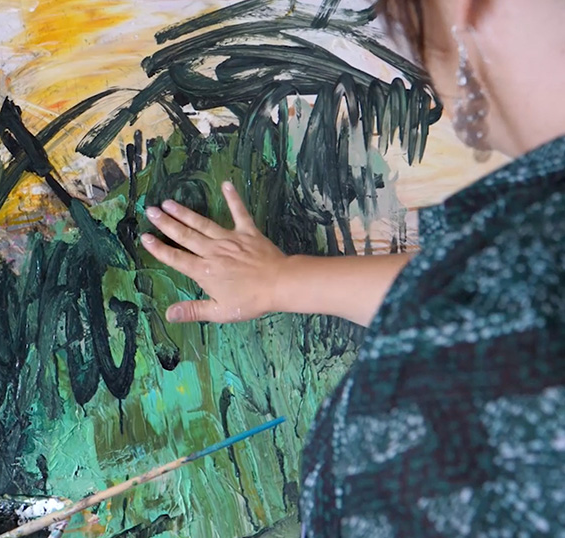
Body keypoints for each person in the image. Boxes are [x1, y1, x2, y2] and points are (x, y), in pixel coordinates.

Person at [141, 0, 565, 535]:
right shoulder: (517, 268)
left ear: (467, 11)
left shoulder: (438, 400)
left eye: (408, 29)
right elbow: (487, 291)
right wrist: (284, 280)